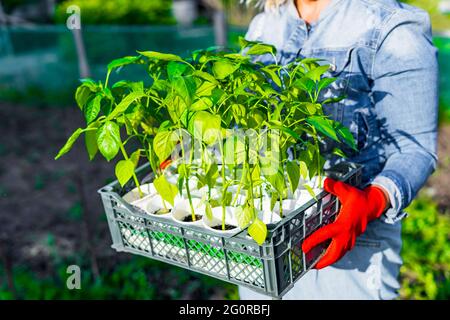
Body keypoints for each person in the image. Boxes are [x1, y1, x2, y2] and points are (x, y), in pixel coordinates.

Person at [239, 0, 438, 300]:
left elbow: (415, 148)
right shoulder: (265, 26)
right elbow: (247, 128)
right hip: (266, 242)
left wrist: (372, 200)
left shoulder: (389, 24)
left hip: (351, 250)